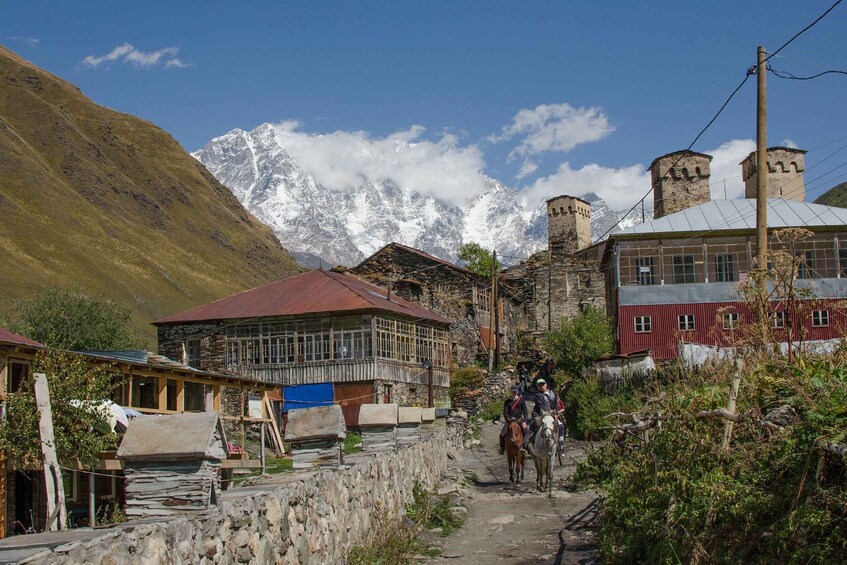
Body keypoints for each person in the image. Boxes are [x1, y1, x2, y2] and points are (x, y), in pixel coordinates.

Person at [522, 379, 559, 451]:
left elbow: (555, 405)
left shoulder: (553, 393)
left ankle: (560, 444)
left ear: (546, 384)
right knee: (532, 427)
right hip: (540, 414)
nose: (542, 386)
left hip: (552, 414)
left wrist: (556, 414)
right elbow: (541, 406)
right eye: (540, 385)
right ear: (538, 387)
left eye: (543, 384)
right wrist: (549, 413)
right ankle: (526, 444)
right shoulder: (538, 395)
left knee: (561, 425)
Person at [499, 385, 528, 455]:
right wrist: (510, 418)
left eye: (515, 391)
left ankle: (525, 447)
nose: (514, 393)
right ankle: (502, 448)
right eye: (513, 391)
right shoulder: (507, 401)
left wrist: (525, 421)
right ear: (511, 392)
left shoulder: (521, 400)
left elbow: (525, 412)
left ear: (517, 391)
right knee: (502, 434)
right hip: (510, 420)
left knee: (526, 432)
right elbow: (505, 413)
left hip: (519, 420)